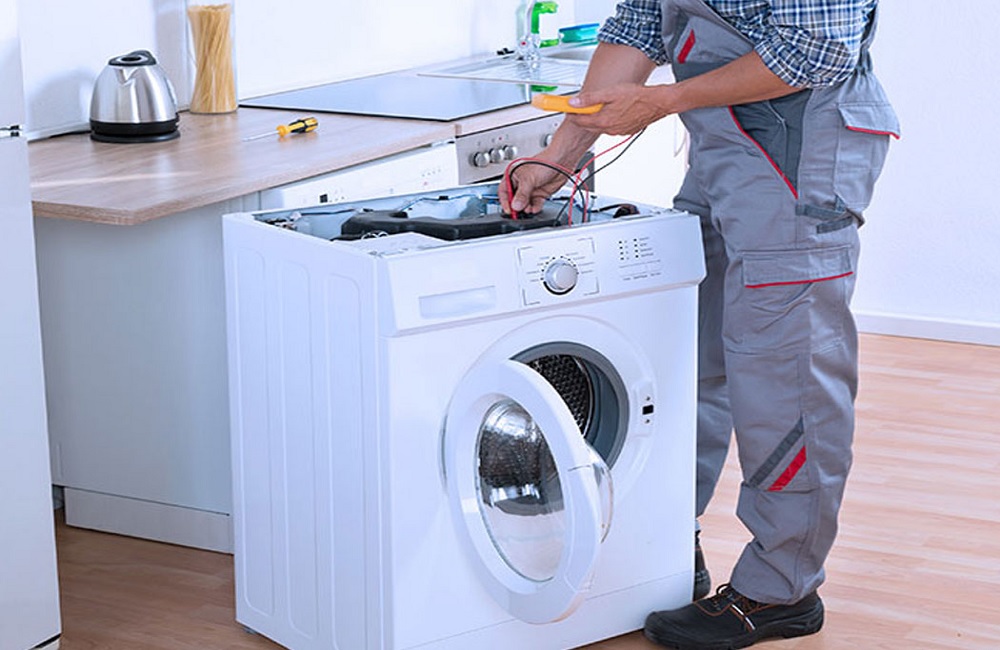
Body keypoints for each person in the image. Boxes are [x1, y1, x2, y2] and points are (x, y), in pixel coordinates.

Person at [499, 1, 899, 648]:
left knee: (786, 380)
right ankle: (666, 548)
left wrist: (662, 102)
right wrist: (564, 151)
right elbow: (638, 25)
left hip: (799, 154)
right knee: (685, 363)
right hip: (724, 151)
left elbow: (818, 49)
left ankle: (782, 589)